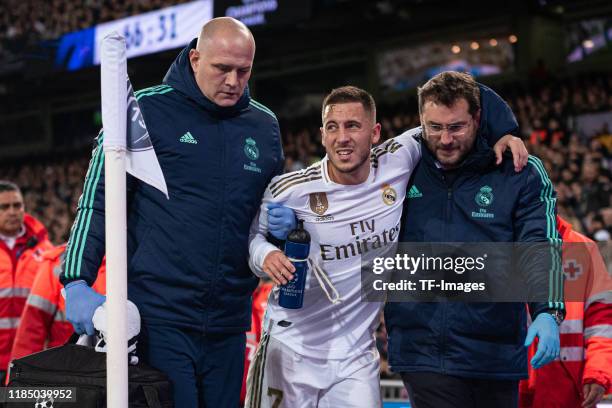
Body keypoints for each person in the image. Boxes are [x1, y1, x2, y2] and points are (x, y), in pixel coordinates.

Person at [246, 84, 527, 408]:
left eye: (353, 125)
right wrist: (266, 254)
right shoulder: (290, 189)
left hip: (355, 356)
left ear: (375, 131)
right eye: (333, 128)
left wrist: (503, 130)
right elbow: (253, 241)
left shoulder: (399, 158)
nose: (343, 138)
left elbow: (454, 100)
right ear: (322, 135)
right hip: (290, 346)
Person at [60, 17, 288, 407]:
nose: (234, 80)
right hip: (158, 318)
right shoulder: (144, 110)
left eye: (243, 70)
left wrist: (282, 228)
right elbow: (98, 198)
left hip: (229, 322)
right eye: (222, 69)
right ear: (196, 58)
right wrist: (74, 279)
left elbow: (264, 218)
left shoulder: (264, 126)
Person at [384, 71, 565, 408]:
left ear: (479, 118)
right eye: (434, 127)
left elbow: (538, 245)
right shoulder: (401, 165)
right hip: (422, 350)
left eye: (457, 127)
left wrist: (547, 309)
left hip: (495, 354)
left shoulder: (518, 171)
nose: (445, 139)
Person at [519, 216, 612, 408]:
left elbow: (602, 323)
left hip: (568, 390)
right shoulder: (497, 242)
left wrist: (598, 371)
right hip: (505, 384)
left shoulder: (583, 249)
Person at [9, 244, 106, 361]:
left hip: (121, 369)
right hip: (64, 369)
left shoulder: (128, 262)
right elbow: (31, 330)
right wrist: (19, 376)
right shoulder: (55, 263)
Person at [0, 180, 52, 382]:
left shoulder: (46, 252)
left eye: (17, 205)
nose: (12, 212)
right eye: (4, 207)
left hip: (32, 363)